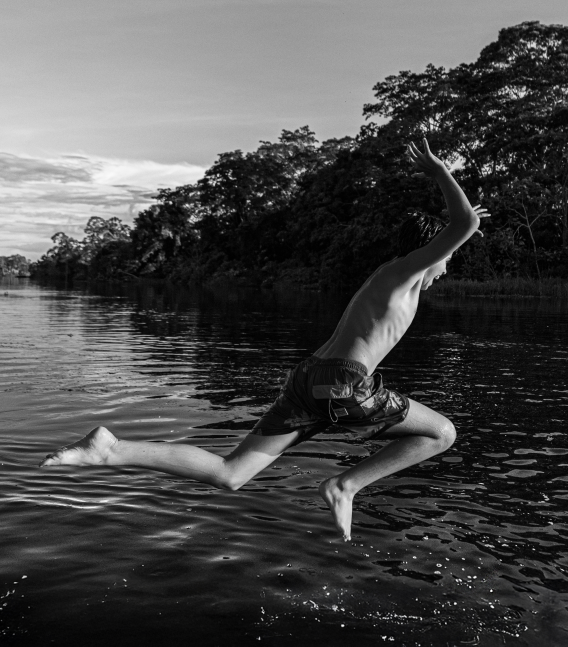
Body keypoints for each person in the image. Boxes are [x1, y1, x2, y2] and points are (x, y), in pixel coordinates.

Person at [40, 137, 487, 541]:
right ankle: (344, 485)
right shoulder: (401, 273)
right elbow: (462, 223)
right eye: (450, 257)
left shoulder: (389, 280)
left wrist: (460, 226)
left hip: (310, 378)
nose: (449, 268)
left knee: (231, 473)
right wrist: (440, 173)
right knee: (441, 433)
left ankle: (111, 450)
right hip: (344, 383)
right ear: (437, 252)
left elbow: (461, 228)